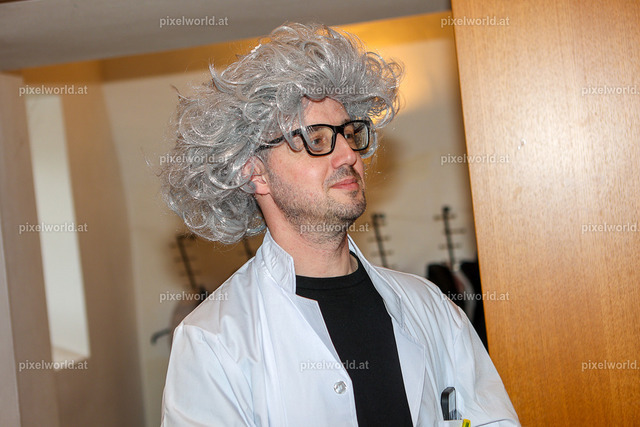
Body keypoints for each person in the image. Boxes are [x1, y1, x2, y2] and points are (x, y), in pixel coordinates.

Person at [160, 22, 520, 426]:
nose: (348, 153)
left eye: (349, 133)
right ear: (254, 172)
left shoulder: (430, 306)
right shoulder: (212, 339)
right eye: (316, 139)